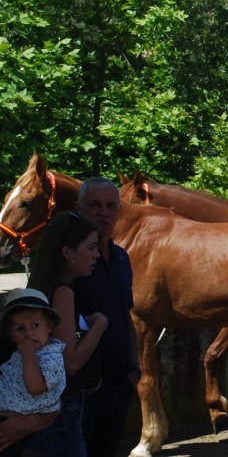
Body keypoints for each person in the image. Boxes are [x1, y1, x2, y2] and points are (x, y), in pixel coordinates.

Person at [25, 210, 108, 457]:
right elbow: (70, 362)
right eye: (91, 248)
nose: (96, 255)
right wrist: (100, 325)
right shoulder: (62, 293)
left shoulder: (41, 289)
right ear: (67, 252)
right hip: (63, 407)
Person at [72, 177, 140, 457]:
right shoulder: (69, 260)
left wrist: (134, 371)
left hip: (120, 386)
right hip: (84, 392)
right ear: (79, 208)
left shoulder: (122, 257)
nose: (104, 213)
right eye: (95, 205)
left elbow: (126, 316)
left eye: (111, 206)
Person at [0, 289, 66, 457]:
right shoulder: (23, 353)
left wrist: (28, 355)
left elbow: (36, 388)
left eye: (35, 325)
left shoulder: (51, 357)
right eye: (20, 328)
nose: (28, 333)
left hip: (20, 420)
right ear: (12, 336)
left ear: (49, 326)